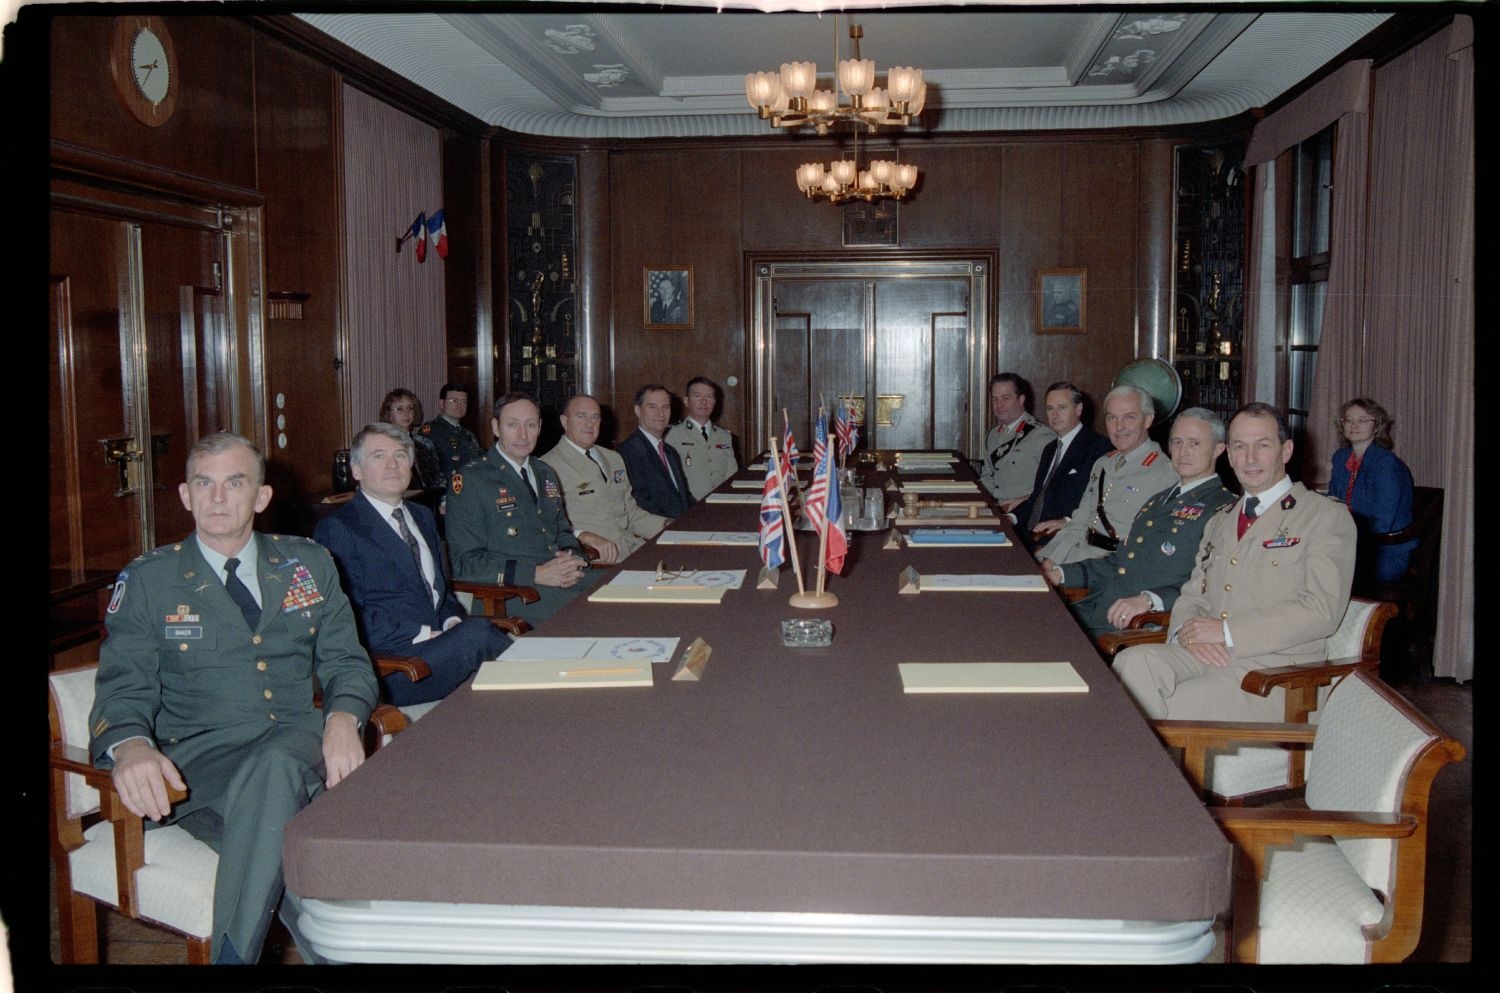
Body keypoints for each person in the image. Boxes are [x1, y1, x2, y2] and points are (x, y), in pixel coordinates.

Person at [88, 431, 377, 964]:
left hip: (295, 741)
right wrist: (130, 749)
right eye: (205, 483)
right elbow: (122, 687)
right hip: (200, 769)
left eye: (234, 483)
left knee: (276, 764)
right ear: (185, 495)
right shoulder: (151, 579)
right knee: (288, 845)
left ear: (261, 497)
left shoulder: (307, 564)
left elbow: (346, 662)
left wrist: (342, 718)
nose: (218, 498)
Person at [1115, 403, 1356, 722]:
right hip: (1206, 654)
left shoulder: (1324, 517)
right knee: (1131, 664)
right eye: (1240, 446)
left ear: (1286, 451)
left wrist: (1226, 631)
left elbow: (1321, 610)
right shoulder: (1221, 519)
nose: (1250, 458)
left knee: (1145, 712)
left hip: (1274, 675)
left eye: (1263, 445)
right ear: (1228, 454)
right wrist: (1189, 633)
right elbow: (1192, 594)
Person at [314, 423, 512, 704]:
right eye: (379, 456)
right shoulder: (340, 529)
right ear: (357, 471)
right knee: (478, 633)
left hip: (439, 649)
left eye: (401, 456)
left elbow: (440, 592)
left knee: (476, 638)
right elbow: (347, 619)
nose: (392, 465)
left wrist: (452, 620)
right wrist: (424, 633)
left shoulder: (421, 516)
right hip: (393, 668)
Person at [1040, 408, 1236, 641]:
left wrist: (1149, 599)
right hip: (1098, 608)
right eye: (1177, 442)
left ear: (1218, 450)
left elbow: (1211, 587)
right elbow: (1118, 562)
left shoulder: (1224, 509)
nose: (1183, 452)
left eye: (1194, 443)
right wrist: (1059, 573)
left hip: (1139, 625)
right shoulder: (1157, 501)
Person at [445, 392, 593, 625]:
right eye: (512, 425)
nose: (523, 435)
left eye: (530, 425)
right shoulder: (472, 479)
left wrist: (571, 559)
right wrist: (536, 574)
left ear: (540, 427)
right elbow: (465, 564)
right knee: (593, 615)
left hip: (561, 578)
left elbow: (562, 531)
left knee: (623, 592)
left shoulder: (545, 472)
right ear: (496, 427)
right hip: (511, 592)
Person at [1036, 384, 1177, 565]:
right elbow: (1078, 524)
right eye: (1112, 418)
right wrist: (1049, 560)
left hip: (1114, 566)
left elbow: (1155, 547)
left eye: (1129, 417)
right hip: (1080, 555)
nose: (1119, 427)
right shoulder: (1103, 464)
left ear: (1148, 420)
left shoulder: (1165, 473)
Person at [540, 394, 668, 562]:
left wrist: (666, 525)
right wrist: (584, 537)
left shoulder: (613, 458)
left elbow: (630, 514)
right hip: (595, 559)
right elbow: (548, 526)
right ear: (564, 422)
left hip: (631, 549)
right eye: (581, 416)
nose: (589, 423)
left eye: (595, 417)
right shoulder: (548, 467)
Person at [1006, 382, 1114, 545]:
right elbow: (1038, 499)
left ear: (1078, 410)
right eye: (1050, 409)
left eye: (1062, 407)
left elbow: (1106, 500)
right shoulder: (1050, 449)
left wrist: (1068, 521)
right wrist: (1010, 517)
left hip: (1061, 537)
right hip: (1029, 532)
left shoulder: (1098, 448)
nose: (1054, 415)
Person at [1328, 397, 1416, 582]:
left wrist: (1345, 542)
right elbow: (1333, 504)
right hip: (1349, 545)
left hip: (1383, 552)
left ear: (1377, 427)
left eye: (1362, 420)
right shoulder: (1340, 457)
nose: (1354, 425)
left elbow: (1383, 521)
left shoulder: (1386, 464)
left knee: (1321, 573)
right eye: (1348, 420)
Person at [978, 373, 1056, 503]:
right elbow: (987, 479)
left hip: (1023, 513)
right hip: (994, 508)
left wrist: (1027, 500)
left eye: (1006, 399)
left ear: (1021, 399)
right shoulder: (993, 434)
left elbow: (1056, 483)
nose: (999, 405)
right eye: (995, 399)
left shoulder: (1040, 436)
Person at [618, 384, 693, 518]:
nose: (660, 413)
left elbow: (684, 498)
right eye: (653, 407)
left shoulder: (670, 452)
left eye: (665, 407)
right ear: (638, 411)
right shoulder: (628, 452)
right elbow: (640, 503)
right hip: (657, 530)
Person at [665, 376, 738, 500]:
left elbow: (732, 475)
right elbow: (669, 480)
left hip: (721, 503)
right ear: (686, 401)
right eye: (697, 396)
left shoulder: (724, 436)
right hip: (689, 508)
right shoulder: (673, 436)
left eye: (709, 397)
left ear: (714, 402)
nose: (704, 402)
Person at [378, 388, 444, 501]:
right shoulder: (382, 445)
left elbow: (437, 478)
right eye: (400, 409)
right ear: (389, 415)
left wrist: (442, 501)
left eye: (410, 408)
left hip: (428, 500)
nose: (406, 413)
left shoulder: (424, 443)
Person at [421, 383, 484, 491]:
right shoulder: (431, 431)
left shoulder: (468, 434)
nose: (460, 406)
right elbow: (429, 472)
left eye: (464, 402)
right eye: (454, 401)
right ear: (442, 403)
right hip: (447, 495)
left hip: (472, 491)